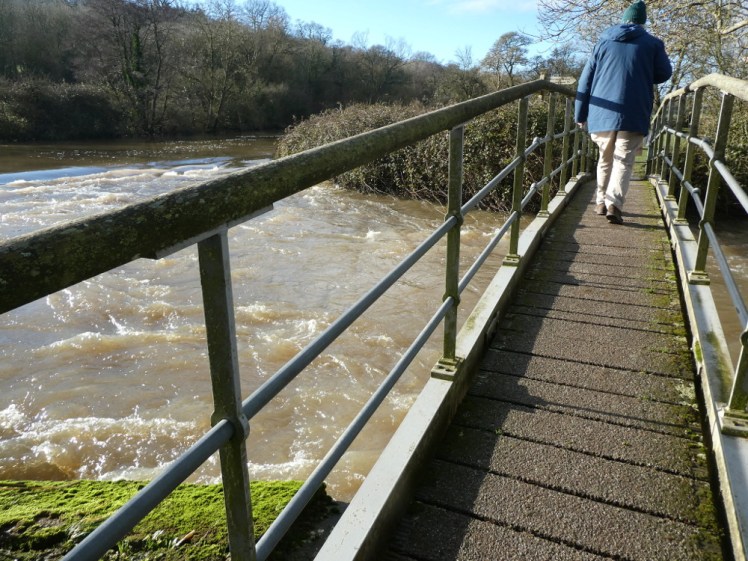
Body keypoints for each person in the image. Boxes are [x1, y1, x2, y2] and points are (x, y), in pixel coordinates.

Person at [574, 0, 672, 224]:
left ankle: (600, 202)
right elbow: (664, 74)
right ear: (642, 22)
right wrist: (645, 71)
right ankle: (614, 205)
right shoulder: (653, 44)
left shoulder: (602, 43)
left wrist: (580, 114)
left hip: (601, 112)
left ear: (623, 19)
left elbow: (585, 81)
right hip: (634, 111)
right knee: (624, 161)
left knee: (605, 159)